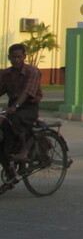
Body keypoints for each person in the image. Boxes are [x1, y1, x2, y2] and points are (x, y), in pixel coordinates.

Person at [0, 44, 43, 173]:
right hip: (13, 105)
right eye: (13, 57)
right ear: (9, 57)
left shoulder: (32, 72)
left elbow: (27, 92)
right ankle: (10, 170)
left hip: (29, 106)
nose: (16, 60)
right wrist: (12, 107)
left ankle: (24, 150)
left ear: (24, 57)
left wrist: (15, 106)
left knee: (14, 118)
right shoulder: (6, 73)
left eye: (19, 57)